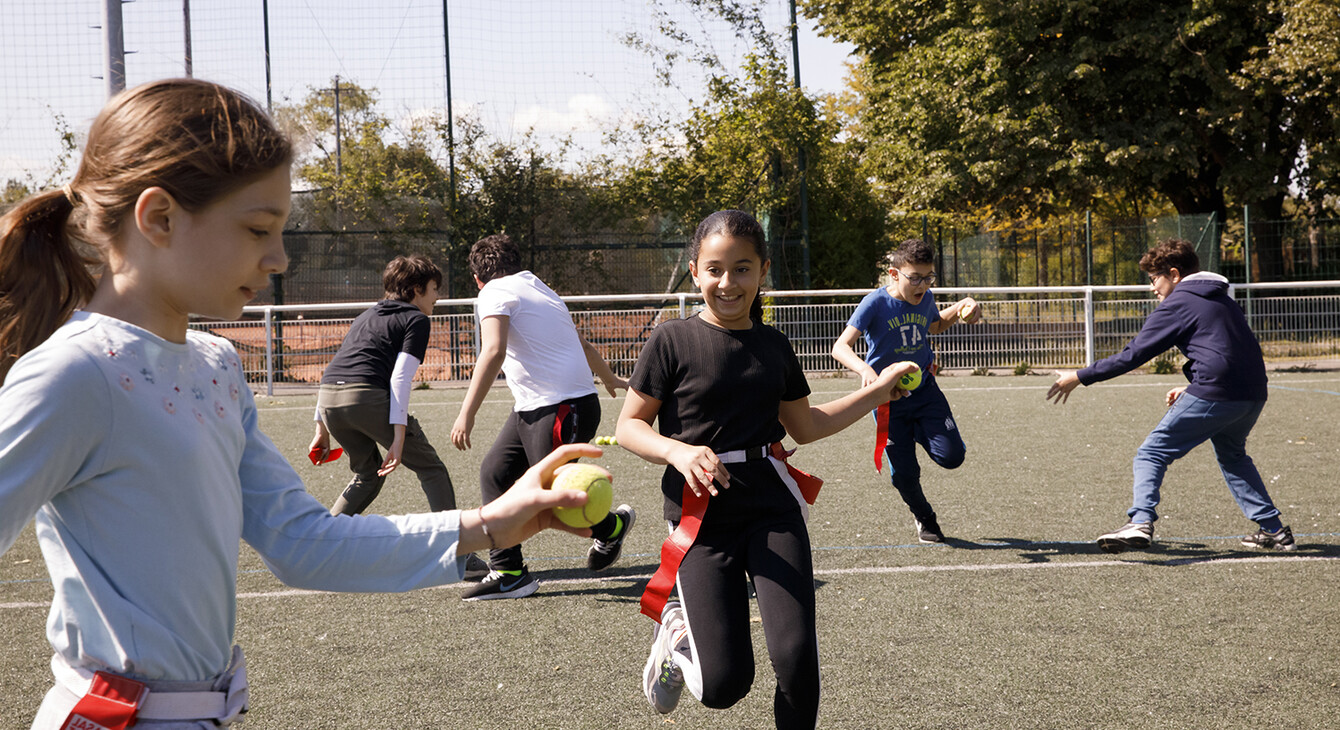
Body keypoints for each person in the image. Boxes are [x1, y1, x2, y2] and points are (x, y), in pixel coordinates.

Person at [0, 78, 601, 729]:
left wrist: (496, 523)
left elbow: (303, 543)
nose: (279, 258)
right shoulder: (74, 373)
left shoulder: (217, 366)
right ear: (159, 218)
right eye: (259, 229)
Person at [616, 210, 914, 729]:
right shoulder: (670, 341)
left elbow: (805, 425)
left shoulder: (774, 345)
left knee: (798, 659)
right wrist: (679, 452)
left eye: (742, 269)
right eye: (715, 269)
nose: (727, 283)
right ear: (695, 272)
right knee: (725, 686)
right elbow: (630, 427)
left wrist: (878, 391)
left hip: (772, 508)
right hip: (701, 515)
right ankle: (676, 637)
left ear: (763, 271)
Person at [1047, 238, 1294, 553]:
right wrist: (1193, 386)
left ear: (1174, 274)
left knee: (1151, 453)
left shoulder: (1179, 302)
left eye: (1154, 279)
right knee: (1233, 456)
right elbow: (1230, 351)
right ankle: (1273, 529)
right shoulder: (1222, 299)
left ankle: (1139, 521)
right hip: (1254, 394)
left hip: (1216, 391)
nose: (1153, 289)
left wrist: (1080, 376)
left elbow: (1133, 355)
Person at [450, 233, 635, 601]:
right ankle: (509, 572)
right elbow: (578, 342)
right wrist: (608, 377)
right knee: (496, 472)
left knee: (551, 495)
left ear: (477, 278)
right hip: (541, 406)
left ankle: (612, 527)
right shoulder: (538, 286)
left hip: (560, 408)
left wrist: (465, 413)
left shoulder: (493, 291)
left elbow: (493, 350)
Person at [830, 238, 983, 543]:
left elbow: (935, 325)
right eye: (915, 278)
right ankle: (925, 518)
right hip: (887, 400)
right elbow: (840, 346)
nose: (923, 285)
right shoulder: (875, 303)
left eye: (928, 277)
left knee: (952, 457)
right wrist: (866, 371)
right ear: (894, 274)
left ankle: (919, 430)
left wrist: (965, 304)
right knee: (904, 475)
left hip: (925, 392)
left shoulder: (925, 297)